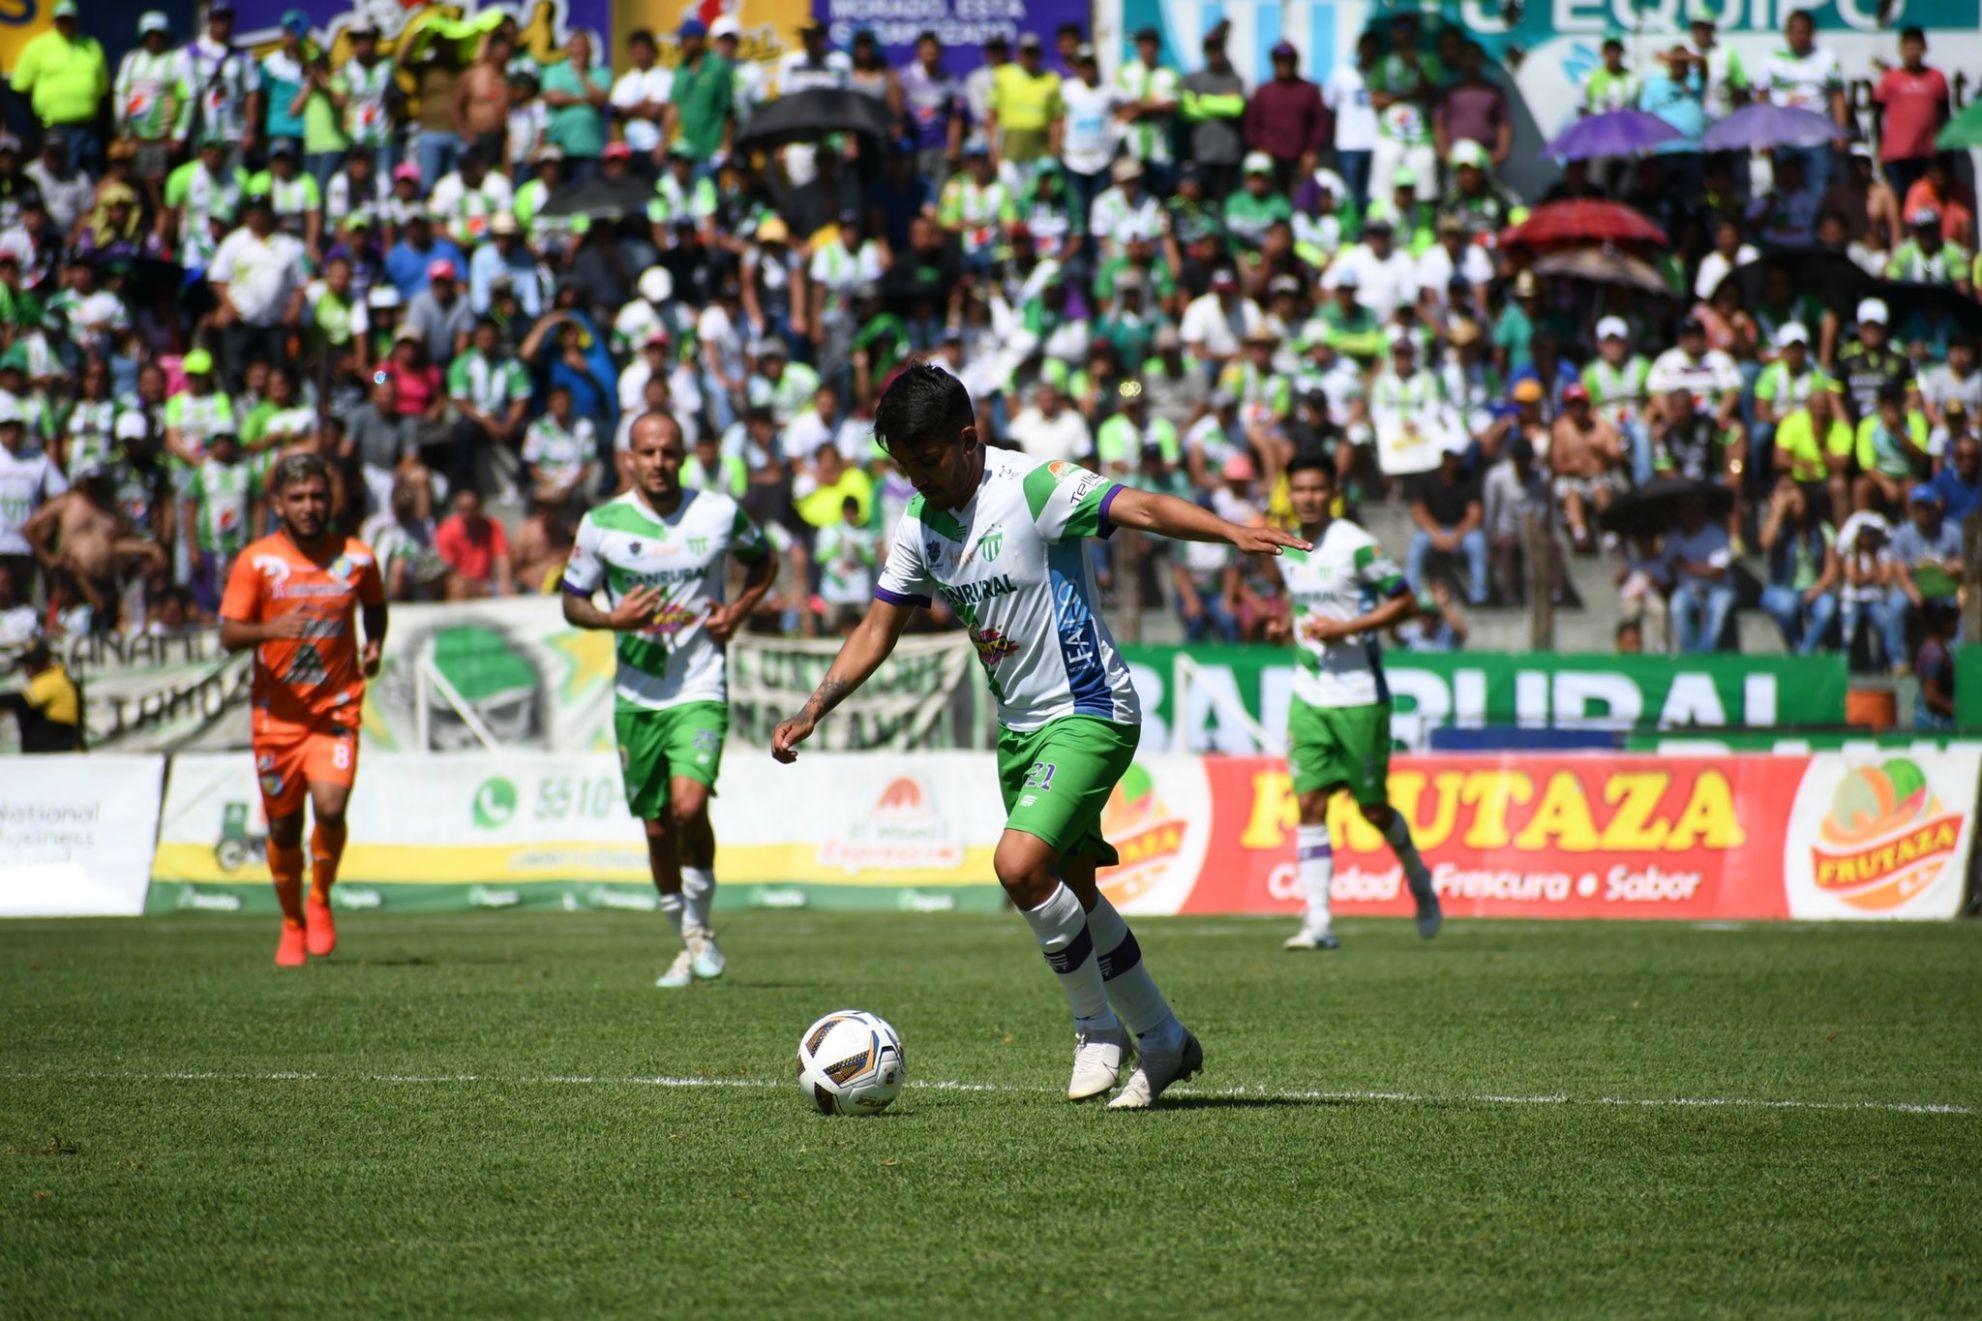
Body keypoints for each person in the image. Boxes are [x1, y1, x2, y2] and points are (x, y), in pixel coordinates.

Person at [774, 366, 1302, 1107]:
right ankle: (1164, 1039)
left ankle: (1098, 1030)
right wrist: (816, 704)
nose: (917, 480)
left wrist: (1227, 529)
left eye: (925, 462)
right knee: (1074, 891)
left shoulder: (1033, 487)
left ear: (967, 438)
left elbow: (1137, 503)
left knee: (1019, 865)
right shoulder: (921, 524)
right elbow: (878, 626)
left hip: (1090, 710)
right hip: (1021, 731)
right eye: (903, 466)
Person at [564, 411, 774, 989]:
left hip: (700, 686)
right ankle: (685, 938)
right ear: (629, 457)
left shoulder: (717, 513)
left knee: (688, 806)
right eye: (647, 453)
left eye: (669, 452)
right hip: (637, 697)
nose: (659, 462)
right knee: (658, 828)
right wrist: (612, 618)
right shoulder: (601, 524)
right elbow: (571, 600)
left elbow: (765, 561)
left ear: (684, 456)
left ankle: (700, 929)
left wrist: (738, 610)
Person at [1265, 450, 1442, 952]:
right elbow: (1301, 609)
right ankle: (1318, 920)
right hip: (1309, 694)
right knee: (1309, 801)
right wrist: (1284, 629)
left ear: (1333, 492)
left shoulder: (1356, 546)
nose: (1308, 498)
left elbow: (1406, 601)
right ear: (1288, 492)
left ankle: (1417, 876)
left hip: (1360, 696)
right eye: (1299, 490)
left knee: (1371, 808)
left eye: (1318, 489)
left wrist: (1346, 628)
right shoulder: (1288, 547)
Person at [217, 453, 387, 967]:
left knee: (331, 809)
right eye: (298, 498)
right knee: (284, 829)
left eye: (317, 496)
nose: (309, 507)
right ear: (278, 505)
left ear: (330, 499)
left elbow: (375, 608)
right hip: (277, 720)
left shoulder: (356, 557)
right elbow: (228, 634)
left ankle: (320, 900)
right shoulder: (257, 561)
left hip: (335, 711)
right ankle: (291, 921)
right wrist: (270, 629)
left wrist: (374, 643)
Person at [10, 0, 110, 177]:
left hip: (89, 128)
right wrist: (37, 119)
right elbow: (20, 87)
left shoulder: (92, 46)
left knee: (92, 174)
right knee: (61, 178)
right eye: (61, 20)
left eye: (70, 20)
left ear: (77, 21)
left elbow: (103, 89)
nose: (66, 24)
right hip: (57, 129)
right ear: (53, 21)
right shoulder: (37, 47)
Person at [1870, 28, 1948, 201]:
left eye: (1917, 47)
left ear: (1924, 49)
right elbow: (1876, 115)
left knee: (1926, 201)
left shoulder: (1936, 77)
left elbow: (1945, 115)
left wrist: (1943, 150)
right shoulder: (1890, 78)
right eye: (1908, 47)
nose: (1913, 52)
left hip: (1927, 153)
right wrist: (1879, 148)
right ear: (1901, 50)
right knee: (1899, 199)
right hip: (1897, 154)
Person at [1, 639, 82, 752]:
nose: (29, 669)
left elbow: (20, 700)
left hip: (61, 758)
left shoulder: (54, 680)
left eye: (35, 664)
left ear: (47, 662)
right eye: (27, 664)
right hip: (48, 759)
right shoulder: (49, 680)